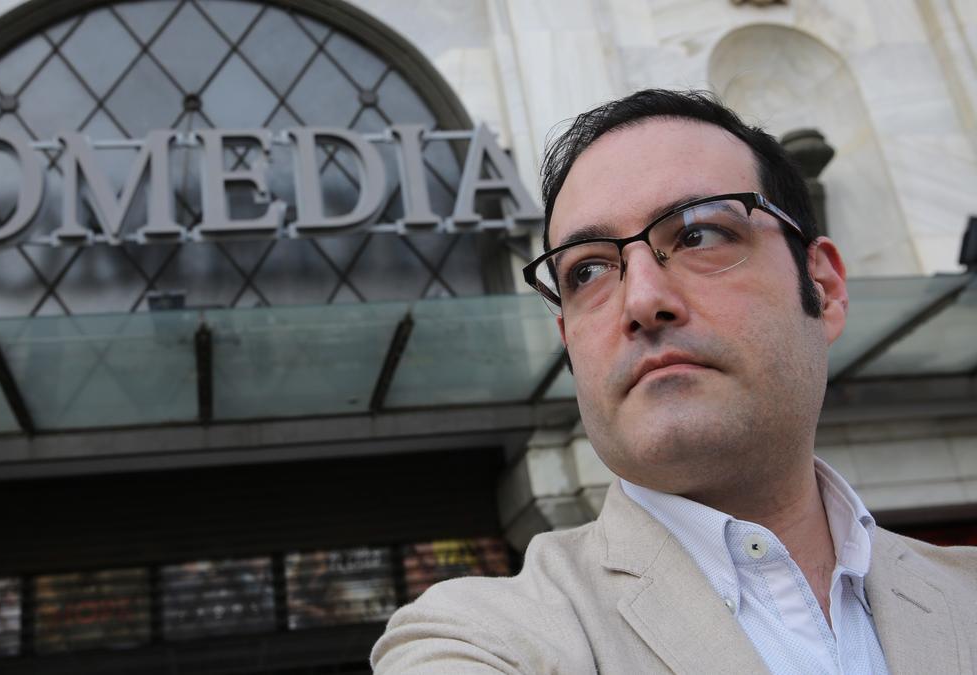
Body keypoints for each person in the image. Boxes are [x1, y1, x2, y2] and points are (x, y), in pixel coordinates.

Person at [371, 90, 977, 674]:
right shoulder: (481, 637)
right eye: (587, 270)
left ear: (823, 287)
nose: (641, 300)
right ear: (569, 343)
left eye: (697, 234)